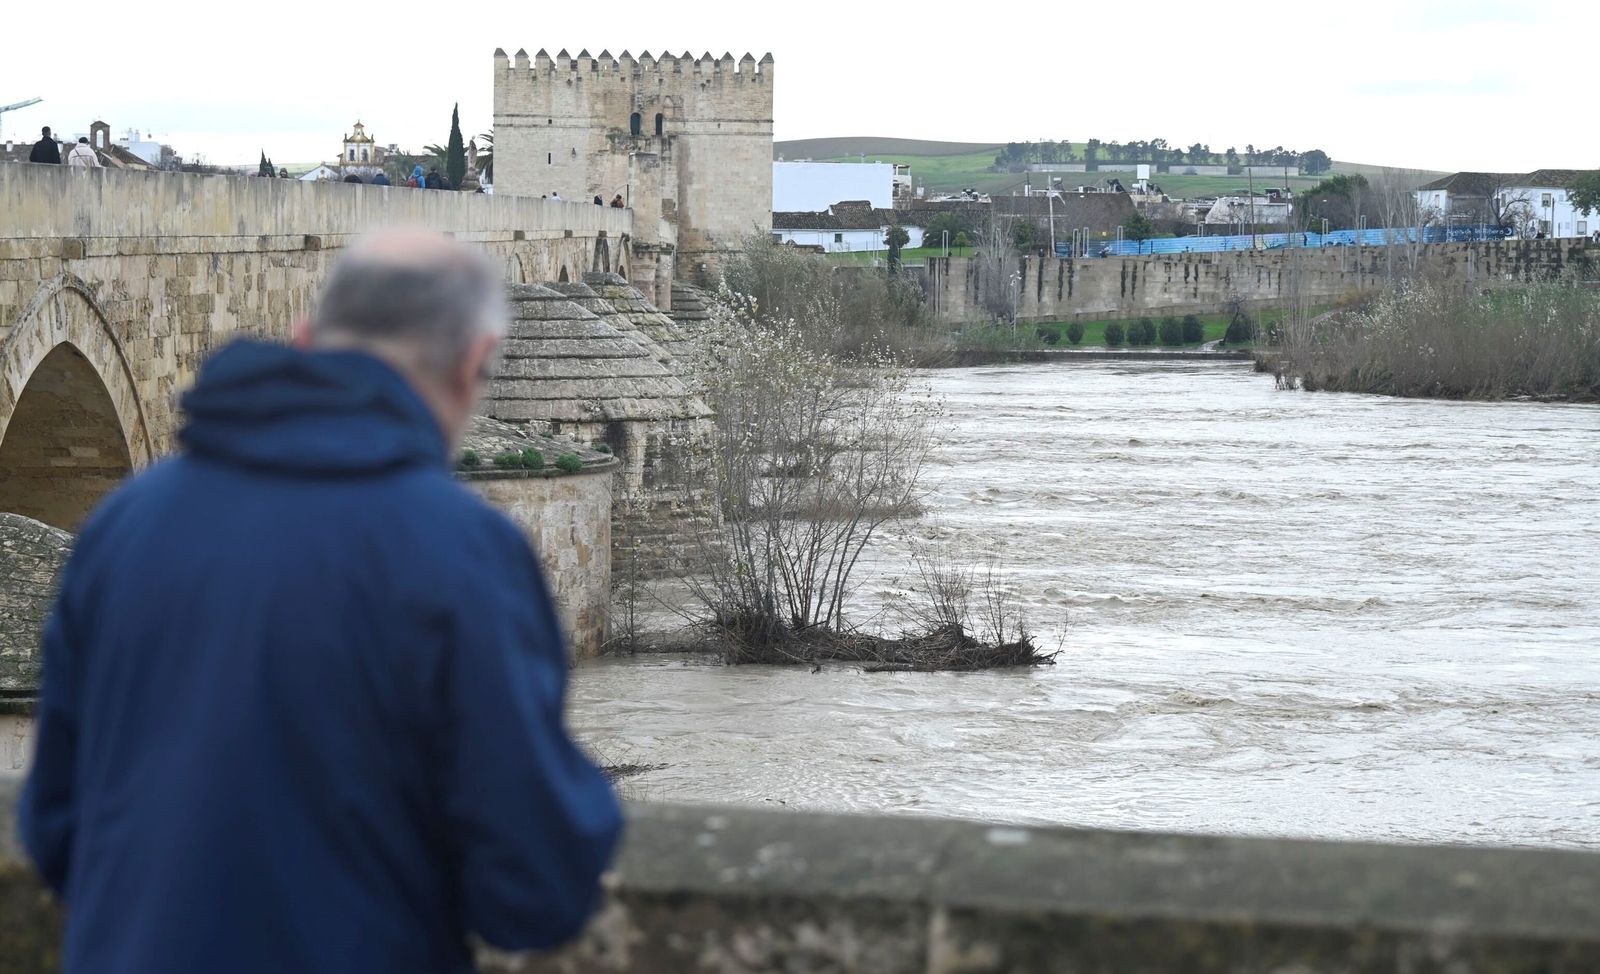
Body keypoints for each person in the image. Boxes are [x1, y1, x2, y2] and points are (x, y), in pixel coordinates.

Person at [19, 229, 623, 974]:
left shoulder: (124, 524)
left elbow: (53, 828)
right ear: (474, 362)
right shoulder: (463, 550)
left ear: (305, 338)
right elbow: (535, 886)